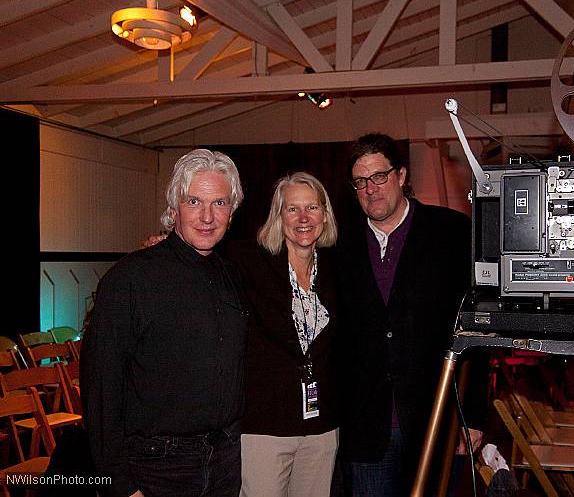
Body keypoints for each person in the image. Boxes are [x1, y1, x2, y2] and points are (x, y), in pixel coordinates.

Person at [81, 149, 248, 497]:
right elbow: (100, 385)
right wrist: (120, 483)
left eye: (219, 203)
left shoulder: (232, 276)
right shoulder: (130, 279)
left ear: (231, 213)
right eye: (193, 201)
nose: (207, 216)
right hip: (158, 467)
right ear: (173, 211)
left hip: (225, 461)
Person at [336, 133, 485, 495]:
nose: (370, 189)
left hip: (435, 420)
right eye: (360, 181)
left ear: (401, 176)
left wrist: (473, 416)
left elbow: (478, 329)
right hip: (366, 427)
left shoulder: (451, 232)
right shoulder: (338, 243)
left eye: (379, 177)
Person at [228, 172, 340, 496]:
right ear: (279, 216)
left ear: (325, 214)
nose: (303, 218)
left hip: (321, 427)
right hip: (265, 426)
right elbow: (201, 262)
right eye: (292, 209)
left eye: (312, 208)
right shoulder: (247, 261)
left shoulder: (337, 268)